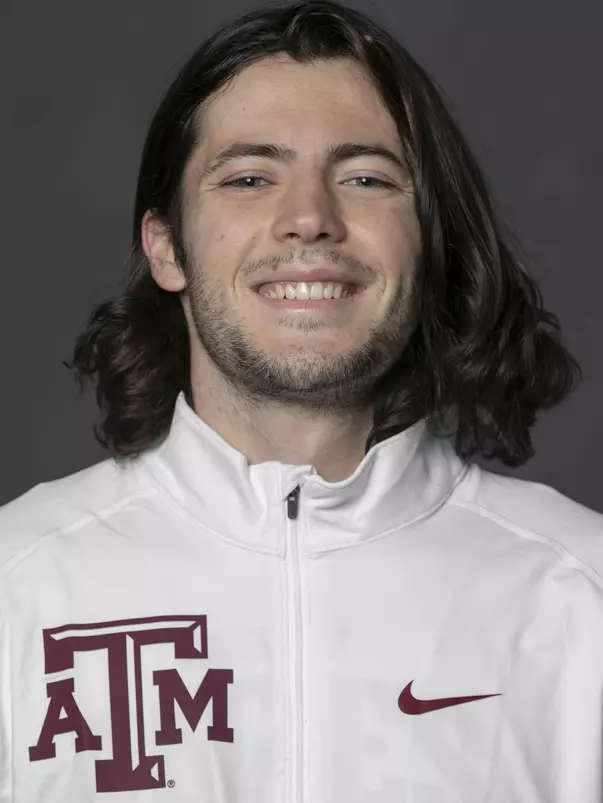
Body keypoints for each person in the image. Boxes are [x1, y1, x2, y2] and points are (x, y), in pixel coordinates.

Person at [1, 0, 601, 800]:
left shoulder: (578, 592)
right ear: (166, 246)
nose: (311, 219)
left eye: (365, 177)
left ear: (428, 242)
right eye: (250, 177)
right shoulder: (20, 584)